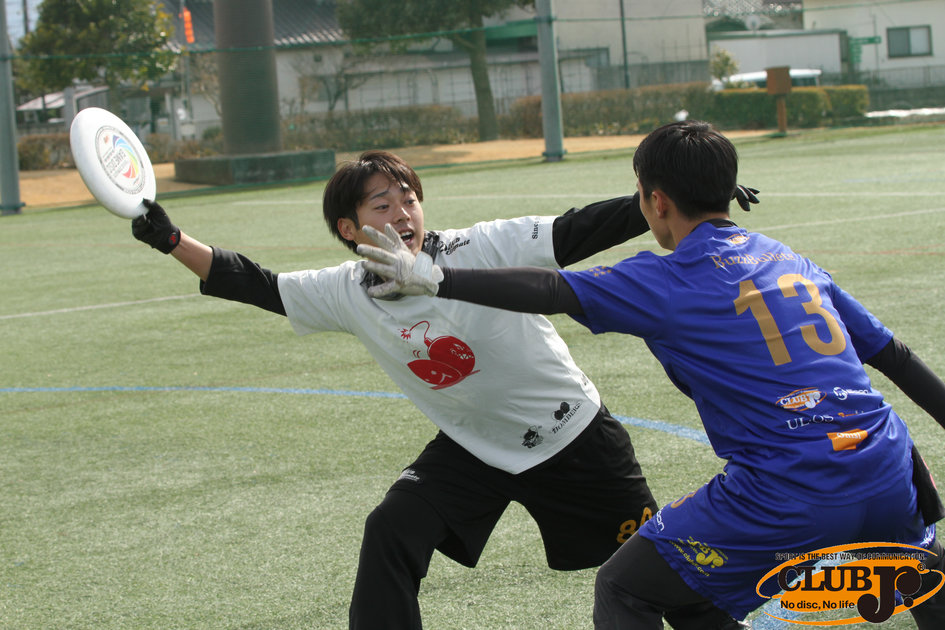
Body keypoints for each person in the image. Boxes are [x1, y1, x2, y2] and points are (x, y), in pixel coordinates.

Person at [129, 149, 759, 629]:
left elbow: (574, 231)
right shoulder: (345, 290)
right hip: (474, 448)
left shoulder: (475, 247)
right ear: (349, 228)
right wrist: (172, 241)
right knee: (391, 530)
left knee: (666, 578)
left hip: (573, 439)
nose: (402, 214)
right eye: (382, 206)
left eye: (409, 199)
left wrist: (684, 199)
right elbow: (259, 284)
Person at [357, 121, 945, 629]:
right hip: (888, 464)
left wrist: (437, 278)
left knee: (624, 587)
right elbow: (894, 357)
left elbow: (551, 290)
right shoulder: (788, 258)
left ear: (656, 202)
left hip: (789, 487)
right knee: (921, 579)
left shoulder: (664, 281)